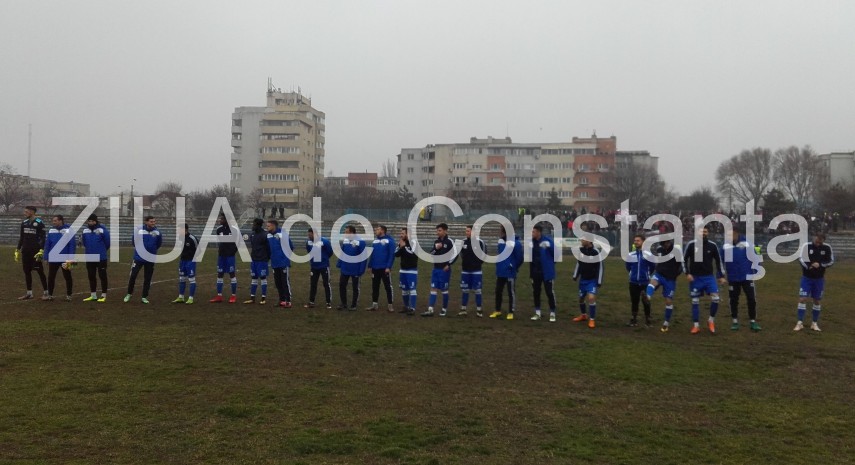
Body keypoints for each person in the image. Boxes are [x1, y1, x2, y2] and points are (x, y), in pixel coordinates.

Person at [684, 227, 726, 334]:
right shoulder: (691, 244)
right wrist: (687, 273)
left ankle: (711, 320)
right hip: (695, 278)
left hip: (709, 277)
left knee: (716, 298)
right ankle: (696, 325)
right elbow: (683, 260)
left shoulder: (712, 245)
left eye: (705, 231)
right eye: (701, 231)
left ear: (708, 233)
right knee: (695, 301)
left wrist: (721, 275)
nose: (703, 233)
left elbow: (718, 261)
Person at [721, 228, 761, 332]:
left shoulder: (747, 243)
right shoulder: (725, 246)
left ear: (737, 233)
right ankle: (734, 321)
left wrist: (757, 266)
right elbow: (720, 261)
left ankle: (753, 321)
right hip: (733, 277)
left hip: (747, 276)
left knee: (751, 299)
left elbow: (757, 252)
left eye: (731, 234)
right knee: (733, 300)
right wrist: (720, 275)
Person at [794, 233, 834, 332]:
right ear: (813, 238)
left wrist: (819, 265)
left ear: (823, 241)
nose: (817, 243)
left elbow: (831, 261)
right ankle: (799, 323)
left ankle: (814, 323)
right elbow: (801, 258)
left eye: (820, 242)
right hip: (807, 278)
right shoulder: (806, 246)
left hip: (819, 279)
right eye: (816, 241)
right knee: (802, 298)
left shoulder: (827, 248)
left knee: (817, 300)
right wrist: (809, 266)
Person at [646, 240, 683, 332]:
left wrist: (675, 274)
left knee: (668, 300)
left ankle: (666, 323)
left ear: (670, 242)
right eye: (664, 243)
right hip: (660, 274)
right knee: (652, 282)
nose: (666, 245)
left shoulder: (677, 250)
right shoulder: (659, 249)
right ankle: (647, 296)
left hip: (670, 279)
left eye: (667, 243)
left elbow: (681, 265)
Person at [124, 215, 162, 304]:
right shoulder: (139, 231)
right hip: (138, 258)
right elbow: (134, 242)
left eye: (154, 221)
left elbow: (159, 244)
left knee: (147, 278)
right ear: (146, 222)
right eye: (151, 221)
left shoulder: (157, 232)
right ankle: (129, 294)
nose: (153, 223)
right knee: (133, 276)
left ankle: (144, 297)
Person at [422, 223, 457, 317]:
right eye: (437, 230)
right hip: (436, 269)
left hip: (444, 270)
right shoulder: (436, 241)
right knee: (433, 288)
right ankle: (430, 309)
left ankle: (444, 309)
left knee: (444, 290)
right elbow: (432, 253)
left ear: (445, 231)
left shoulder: (449, 241)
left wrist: (448, 264)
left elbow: (455, 255)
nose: (437, 232)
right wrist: (436, 248)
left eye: (439, 230)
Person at [490, 225, 523, 320]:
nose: (500, 233)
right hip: (500, 271)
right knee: (498, 291)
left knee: (511, 292)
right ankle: (497, 310)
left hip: (510, 272)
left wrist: (513, 267)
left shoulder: (515, 243)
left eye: (501, 231)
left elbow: (520, 258)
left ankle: (511, 311)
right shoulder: (500, 242)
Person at [15, 206, 48, 300]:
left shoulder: (39, 223)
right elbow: (22, 237)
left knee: (40, 271)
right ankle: (29, 293)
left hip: (35, 252)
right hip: (25, 251)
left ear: (32, 212)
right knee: (27, 271)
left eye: (26, 211)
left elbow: (43, 238)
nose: (25, 212)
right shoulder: (24, 223)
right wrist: (17, 249)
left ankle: (46, 292)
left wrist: (41, 250)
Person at [571, 239, 604, 328]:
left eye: (583, 239)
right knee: (581, 299)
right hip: (583, 279)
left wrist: (599, 280)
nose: (581, 241)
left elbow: (600, 266)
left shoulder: (596, 252)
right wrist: (575, 275)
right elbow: (578, 263)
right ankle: (583, 315)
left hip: (592, 280)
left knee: (591, 298)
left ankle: (592, 319)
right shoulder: (581, 250)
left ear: (589, 241)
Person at [529, 224, 558, 322]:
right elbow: (530, 258)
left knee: (549, 292)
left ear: (539, 232)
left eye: (534, 231)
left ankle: (552, 313)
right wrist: (531, 273)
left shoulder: (548, 242)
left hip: (546, 272)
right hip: (535, 272)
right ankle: (537, 312)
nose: (532, 233)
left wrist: (549, 265)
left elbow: (556, 255)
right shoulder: (531, 243)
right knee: (536, 292)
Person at [625, 234, 655, 327]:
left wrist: (646, 275)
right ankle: (634, 319)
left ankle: (648, 320)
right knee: (634, 301)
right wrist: (633, 274)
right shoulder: (631, 254)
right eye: (635, 240)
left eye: (638, 240)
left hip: (644, 282)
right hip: (633, 282)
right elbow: (628, 266)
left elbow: (652, 267)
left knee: (646, 301)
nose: (636, 242)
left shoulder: (649, 255)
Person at [44, 215, 75, 301]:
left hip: (65, 258)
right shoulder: (51, 230)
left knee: (67, 276)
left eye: (55, 221)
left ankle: (69, 295)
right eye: (53, 221)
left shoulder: (69, 230)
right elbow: (47, 245)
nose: (53, 222)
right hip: (53, 258)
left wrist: (71, 258)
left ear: (61, 221)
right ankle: (50, 295)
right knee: (51, 277)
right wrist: (46, 257)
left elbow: (72, 245)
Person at [366, 225, 396, 312]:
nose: (376, 230)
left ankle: (390, 305)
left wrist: (388, 266)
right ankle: (374, 305)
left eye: (378, 229)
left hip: (384, 269)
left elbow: (391, 255)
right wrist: (370, 265)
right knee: (375, 286)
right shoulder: (375, 241)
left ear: (382, 231)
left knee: (388, 287)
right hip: (375, 268)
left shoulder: (390, 241)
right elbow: (372, 254)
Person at [80, 214, 110, 302]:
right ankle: (93, 295)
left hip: (101, 257)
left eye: (92, 221)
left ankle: (103, 295)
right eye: (89, 221)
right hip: (90, 257)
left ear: (96, 221)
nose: (91, 222)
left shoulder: (102, 229)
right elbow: (84, 243)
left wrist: (102, 251)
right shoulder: (85, 230)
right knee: (91, 276)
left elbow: (107, 243)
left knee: (102, 276)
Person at [458, 225, 486, 317]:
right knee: (465, 290)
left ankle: (479, 310)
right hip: (465, 270)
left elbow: (484, 254)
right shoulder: (463, 242)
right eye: (466, 231)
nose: (467, 233)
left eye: (468, 231)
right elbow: (461, 254)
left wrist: (477, 263)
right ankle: (463, 309)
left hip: (476, 271)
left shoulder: (480, 242)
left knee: (477, 290)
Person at [337, 225, 367, 310]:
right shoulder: (346, 241)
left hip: (355, 269)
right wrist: (339, 263)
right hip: (345, 268)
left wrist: (361, 269)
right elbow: (342, 252)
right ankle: (343, 303)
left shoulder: (360, 242)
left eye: (346, 232)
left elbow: (364, 257)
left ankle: (354, 305)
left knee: (355, 287)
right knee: (342, 285)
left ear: (352, 233)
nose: (345, 234)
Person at [210, 214, 238, 303]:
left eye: (221, 219)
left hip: (230, 256)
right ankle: (219, 296)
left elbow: (238, 242)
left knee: (232, 274)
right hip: (221, 256)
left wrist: (232, 252)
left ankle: (233, 296)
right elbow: (219, 242)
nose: (220, 220)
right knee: (220, 274)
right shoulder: (218, 229)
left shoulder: (234, 230)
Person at [266, 219, 294, 308]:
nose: (267, 228)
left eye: (268, 226)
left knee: (285, 282)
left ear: (274, 226)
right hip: (274, 263)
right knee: (278, 283)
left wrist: (284, 257)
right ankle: (282, 300)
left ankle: (288, 301)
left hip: (283, 262)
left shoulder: (283, 234)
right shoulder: (269, 235)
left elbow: (291, 247)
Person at [305, 227, 334, 309]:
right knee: (313, 284)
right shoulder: (308, 242)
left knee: (326, 283)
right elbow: (309, 251)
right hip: (314, 266)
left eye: (310, 234)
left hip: (324, 266)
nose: (308, 236)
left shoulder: (324, 241)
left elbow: (330, 252)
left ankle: (328, 302)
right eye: (308, 234)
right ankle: (311, 302)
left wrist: (323, 259)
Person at [244, 218, 270, 305]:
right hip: (254, 260)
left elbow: (268, 248)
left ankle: (263, 298)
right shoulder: (252, 235)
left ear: (258, 225)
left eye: (254, 224)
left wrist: (266, 258)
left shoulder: (265, 235)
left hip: (262, 260)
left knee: (263, 278)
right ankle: (252, 298)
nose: (253, 226)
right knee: (254, 278)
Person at [395, 227, 419, 316]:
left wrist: (403, 247)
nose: (401, 235)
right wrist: (401, 247)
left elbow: (411, 254)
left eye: (403, 233)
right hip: (403, 270)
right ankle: (406, 306)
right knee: (404, 290)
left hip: (411, 270)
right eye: (401, 233)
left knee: (412, 289)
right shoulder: (401, 243)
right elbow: (396, 254)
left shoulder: (414, 243)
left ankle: (412, 308)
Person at [173, 223, 199, 304]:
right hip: (182, 261)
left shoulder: (192, 238)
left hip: (190, 261)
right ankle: (181, 297)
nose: (177, 231)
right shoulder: (180, 238)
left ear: (185, 229)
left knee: (191, 279)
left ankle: (191, 298)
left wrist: (192, 258)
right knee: (182, 279)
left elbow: (199, 250)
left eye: (179, 229)